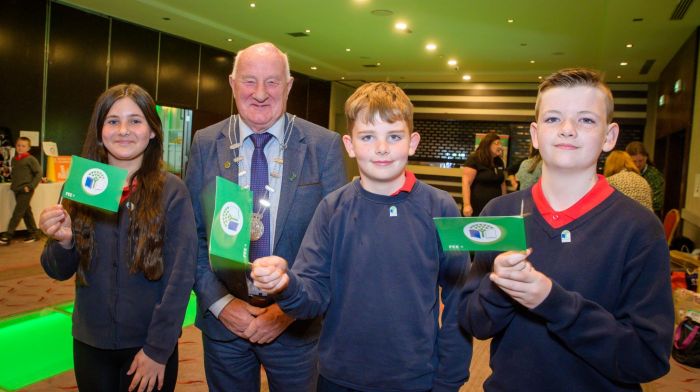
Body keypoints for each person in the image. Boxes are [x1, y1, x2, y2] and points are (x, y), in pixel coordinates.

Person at [458, 68, 673, 390]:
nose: (568, 130)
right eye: (553, 119)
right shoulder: (500, 213)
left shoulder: (640, 229)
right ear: (534, 134)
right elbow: (474, 322)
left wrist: (552, 302)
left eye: (586, 120)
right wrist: (499, 286)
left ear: (609, 136)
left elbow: (647, 358)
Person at [250, 82, 472, 391]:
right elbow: (312, 296)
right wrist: (286, 284)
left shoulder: (441, 206)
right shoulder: (332, 208)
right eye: (368, 137)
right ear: (350, 145)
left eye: (394, 136)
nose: (382, 148)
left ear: (412, 142)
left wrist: (449, 379)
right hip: (338, 376)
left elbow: (459, 297)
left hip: (414, 377)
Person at [184, 42, 347, 391]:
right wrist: (222, 304)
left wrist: (285, 312)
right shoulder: (205, 142)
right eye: (249, 81)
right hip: (224, 326)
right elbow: (192, 237)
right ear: (232, 83)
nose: (260, 94)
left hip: (297, 328)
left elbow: (335, 247)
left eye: (272, 82)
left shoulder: (323, 146)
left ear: (288, 86)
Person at [38, 84, 197, 392]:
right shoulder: (82, 184)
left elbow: (181, 277)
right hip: (90, 343)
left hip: (148, 346)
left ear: (152, 131)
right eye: (112, 121)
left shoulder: (171, 191)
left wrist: (158, 349)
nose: (123, 130)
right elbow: (57, 269)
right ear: (100, 131)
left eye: (135, 120)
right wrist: (63, 240)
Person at [0, 136, 42, 245]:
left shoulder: (31, 159)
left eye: (23, 146)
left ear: (28, 148)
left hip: (26, 190)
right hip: (17, 190)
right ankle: (34, 233)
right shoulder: (14, 159)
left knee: (18, 213)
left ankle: (8, 235)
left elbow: (39, 173)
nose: (20, 148)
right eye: (18, 145)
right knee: (26, 212)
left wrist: (31, 186)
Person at [461, 131, 505, 216]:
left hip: (494, 207)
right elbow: (466, 183)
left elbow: (502, 183)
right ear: (487, 145)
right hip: (476, 207)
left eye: (500, 144)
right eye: (496, 144)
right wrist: (467, 205)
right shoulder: (475, 158)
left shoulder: (499, 161)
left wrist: (504, 202)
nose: (500, 146)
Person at [625, 141, 665, 216]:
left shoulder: (654, 175)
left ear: (646, 158)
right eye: (634, 161)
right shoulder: (624, 174)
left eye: (640, 161)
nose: (637, 164)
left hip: (648, 216)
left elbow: (658, 203)